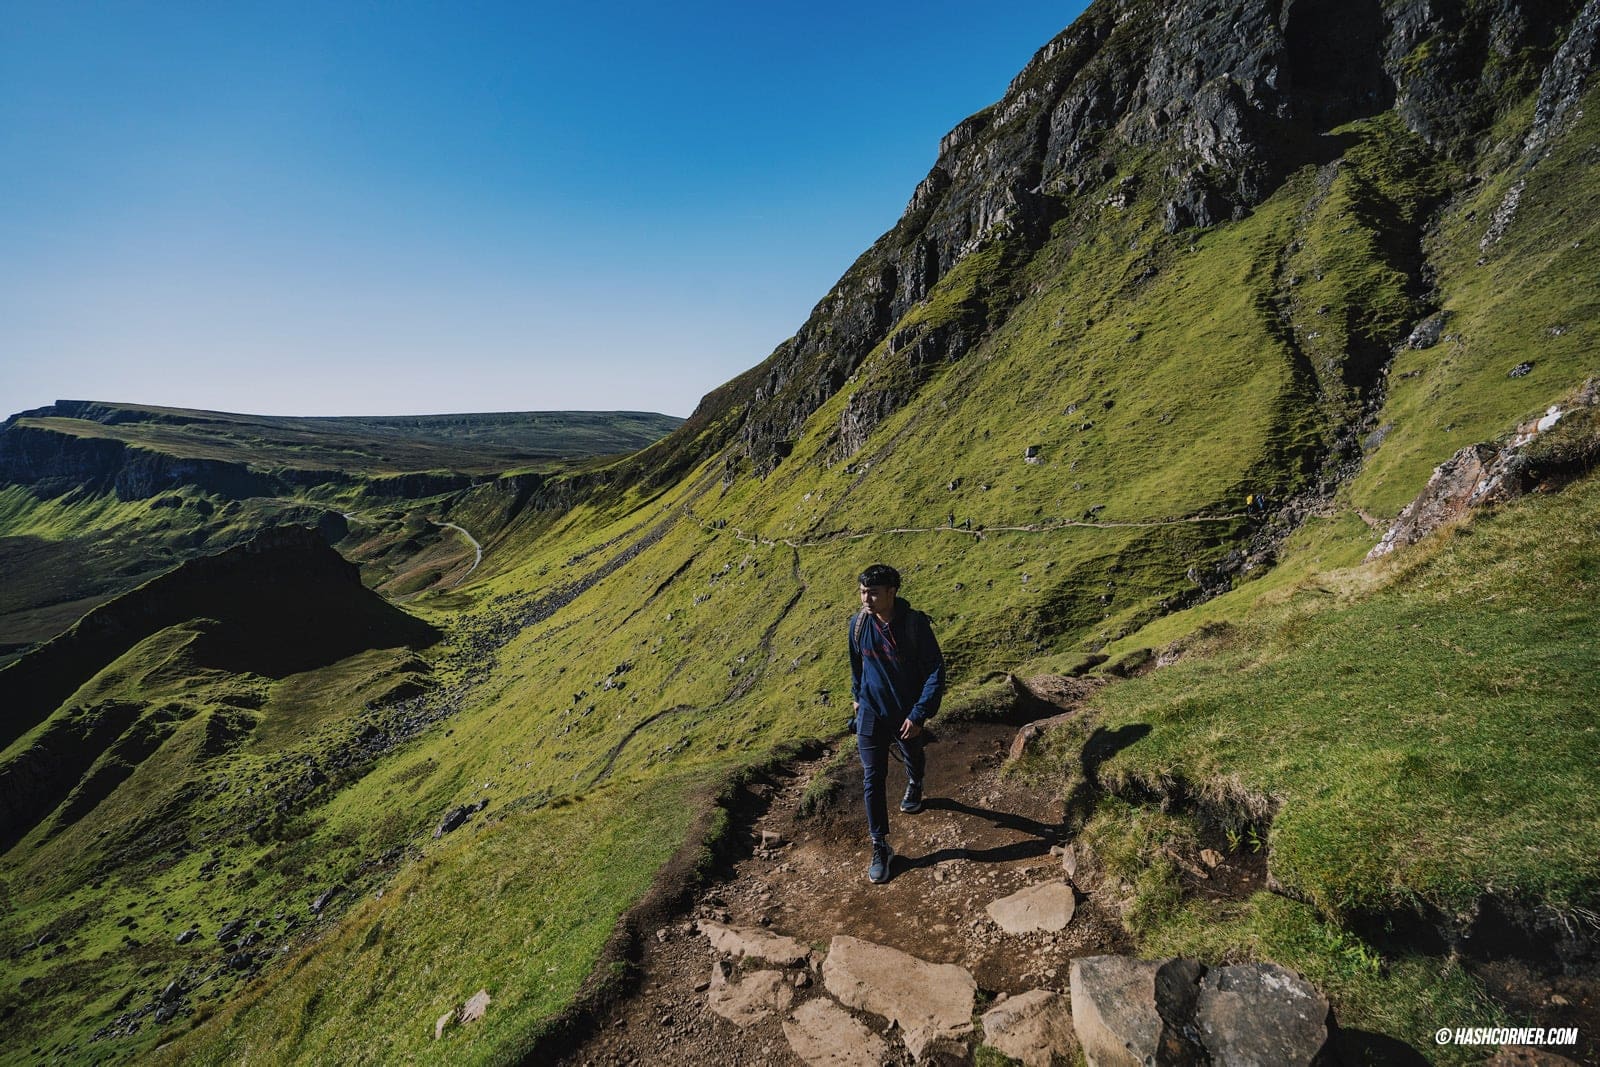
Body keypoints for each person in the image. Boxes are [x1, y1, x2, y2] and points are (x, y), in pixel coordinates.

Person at [849, 563, 945, 884]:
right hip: (871, 712)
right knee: (872, 776)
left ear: (892, 592)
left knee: (912, 754)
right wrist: (856, 697)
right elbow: (856, 665)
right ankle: (880, 844)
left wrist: (919, 714)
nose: (867, 598)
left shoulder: (915, 626)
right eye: (863, 592)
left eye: (873, 593)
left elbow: (935, 671)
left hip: (906, 711)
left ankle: (915, 782)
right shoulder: (859, 624)